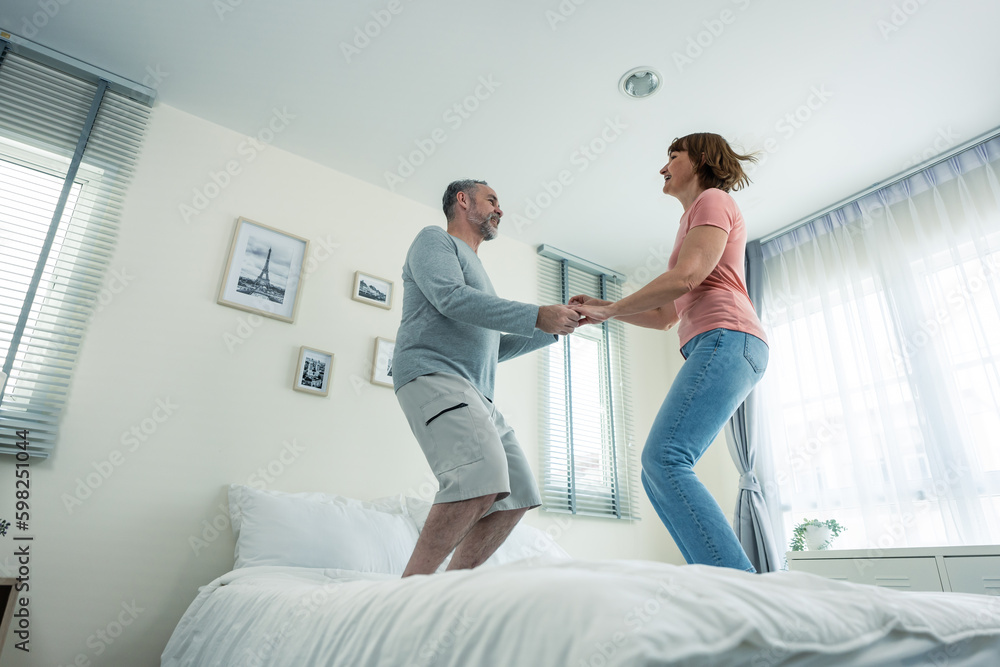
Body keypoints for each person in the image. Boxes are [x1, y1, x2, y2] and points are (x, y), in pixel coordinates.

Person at [572, 133, 768, 572]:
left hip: (728, 335)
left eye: (672, 155)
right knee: (656, 466)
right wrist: (604, 310)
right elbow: (665, 314)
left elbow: (689, 277)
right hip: (720, 341)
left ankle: (738, 586)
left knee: (665, 458)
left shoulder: (713, 200)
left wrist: (613, 308)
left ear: (700, 159)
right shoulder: (691, 221)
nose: (663, 167)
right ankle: (721, 580)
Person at [394, 179, 582, 577]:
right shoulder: (434, 241)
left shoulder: (478, 269)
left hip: (478, 392)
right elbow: (450, 297)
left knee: (518, 493)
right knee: (480, 476)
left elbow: (492, 350)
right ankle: (408, 592)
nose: (500, 209)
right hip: (434, 374)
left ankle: (452, 586)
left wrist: (551, 329)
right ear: (462, 201)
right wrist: (535, 314)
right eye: (492, 200)